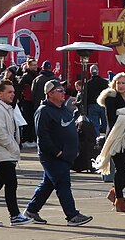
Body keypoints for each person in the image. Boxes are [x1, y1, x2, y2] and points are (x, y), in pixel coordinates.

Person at [20, 78, 92, 227]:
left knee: (48, 184)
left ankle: (31, 211)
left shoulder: (64, 109)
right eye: (59, 90)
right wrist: (57, 152)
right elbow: (43, 136)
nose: (63, 92)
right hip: (52, 157)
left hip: (66, 156)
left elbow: (71, 129)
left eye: (63, 90)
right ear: (49, 94)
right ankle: (72, 215)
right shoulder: (44, 111)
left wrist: (76, 148)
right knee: (63, 184)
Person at [0, 79, 32, 227]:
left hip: (3, 154)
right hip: (2, 154)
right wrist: (14, 148)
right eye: (9, 92)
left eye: (13, 92)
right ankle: (14, 215)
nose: (12, 94)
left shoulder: (6, 108)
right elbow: (0, 135)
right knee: (11, 184)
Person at [97, 72, 125, 213]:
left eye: (123, 83)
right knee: (121, 168)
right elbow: (111, 119)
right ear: (114, 84)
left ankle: (115, 191)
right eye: (118, 83)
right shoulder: (111, 98)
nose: (120, 85)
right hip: (116, 137)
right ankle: (120, 201)